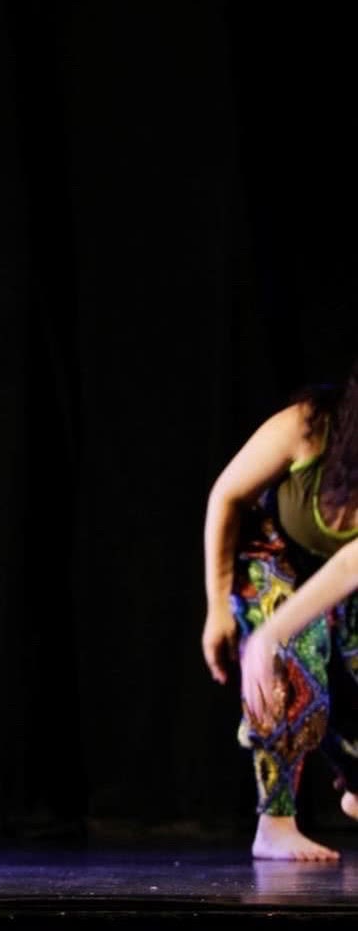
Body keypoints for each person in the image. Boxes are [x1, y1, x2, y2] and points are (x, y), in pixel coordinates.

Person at [203, 359, 358, 859]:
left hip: (342, 577)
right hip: (274, 556)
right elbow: (226, 496)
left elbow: (347, 570)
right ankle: (275, 823)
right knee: (291, 653)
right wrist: (220, 611)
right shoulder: (307, 426)